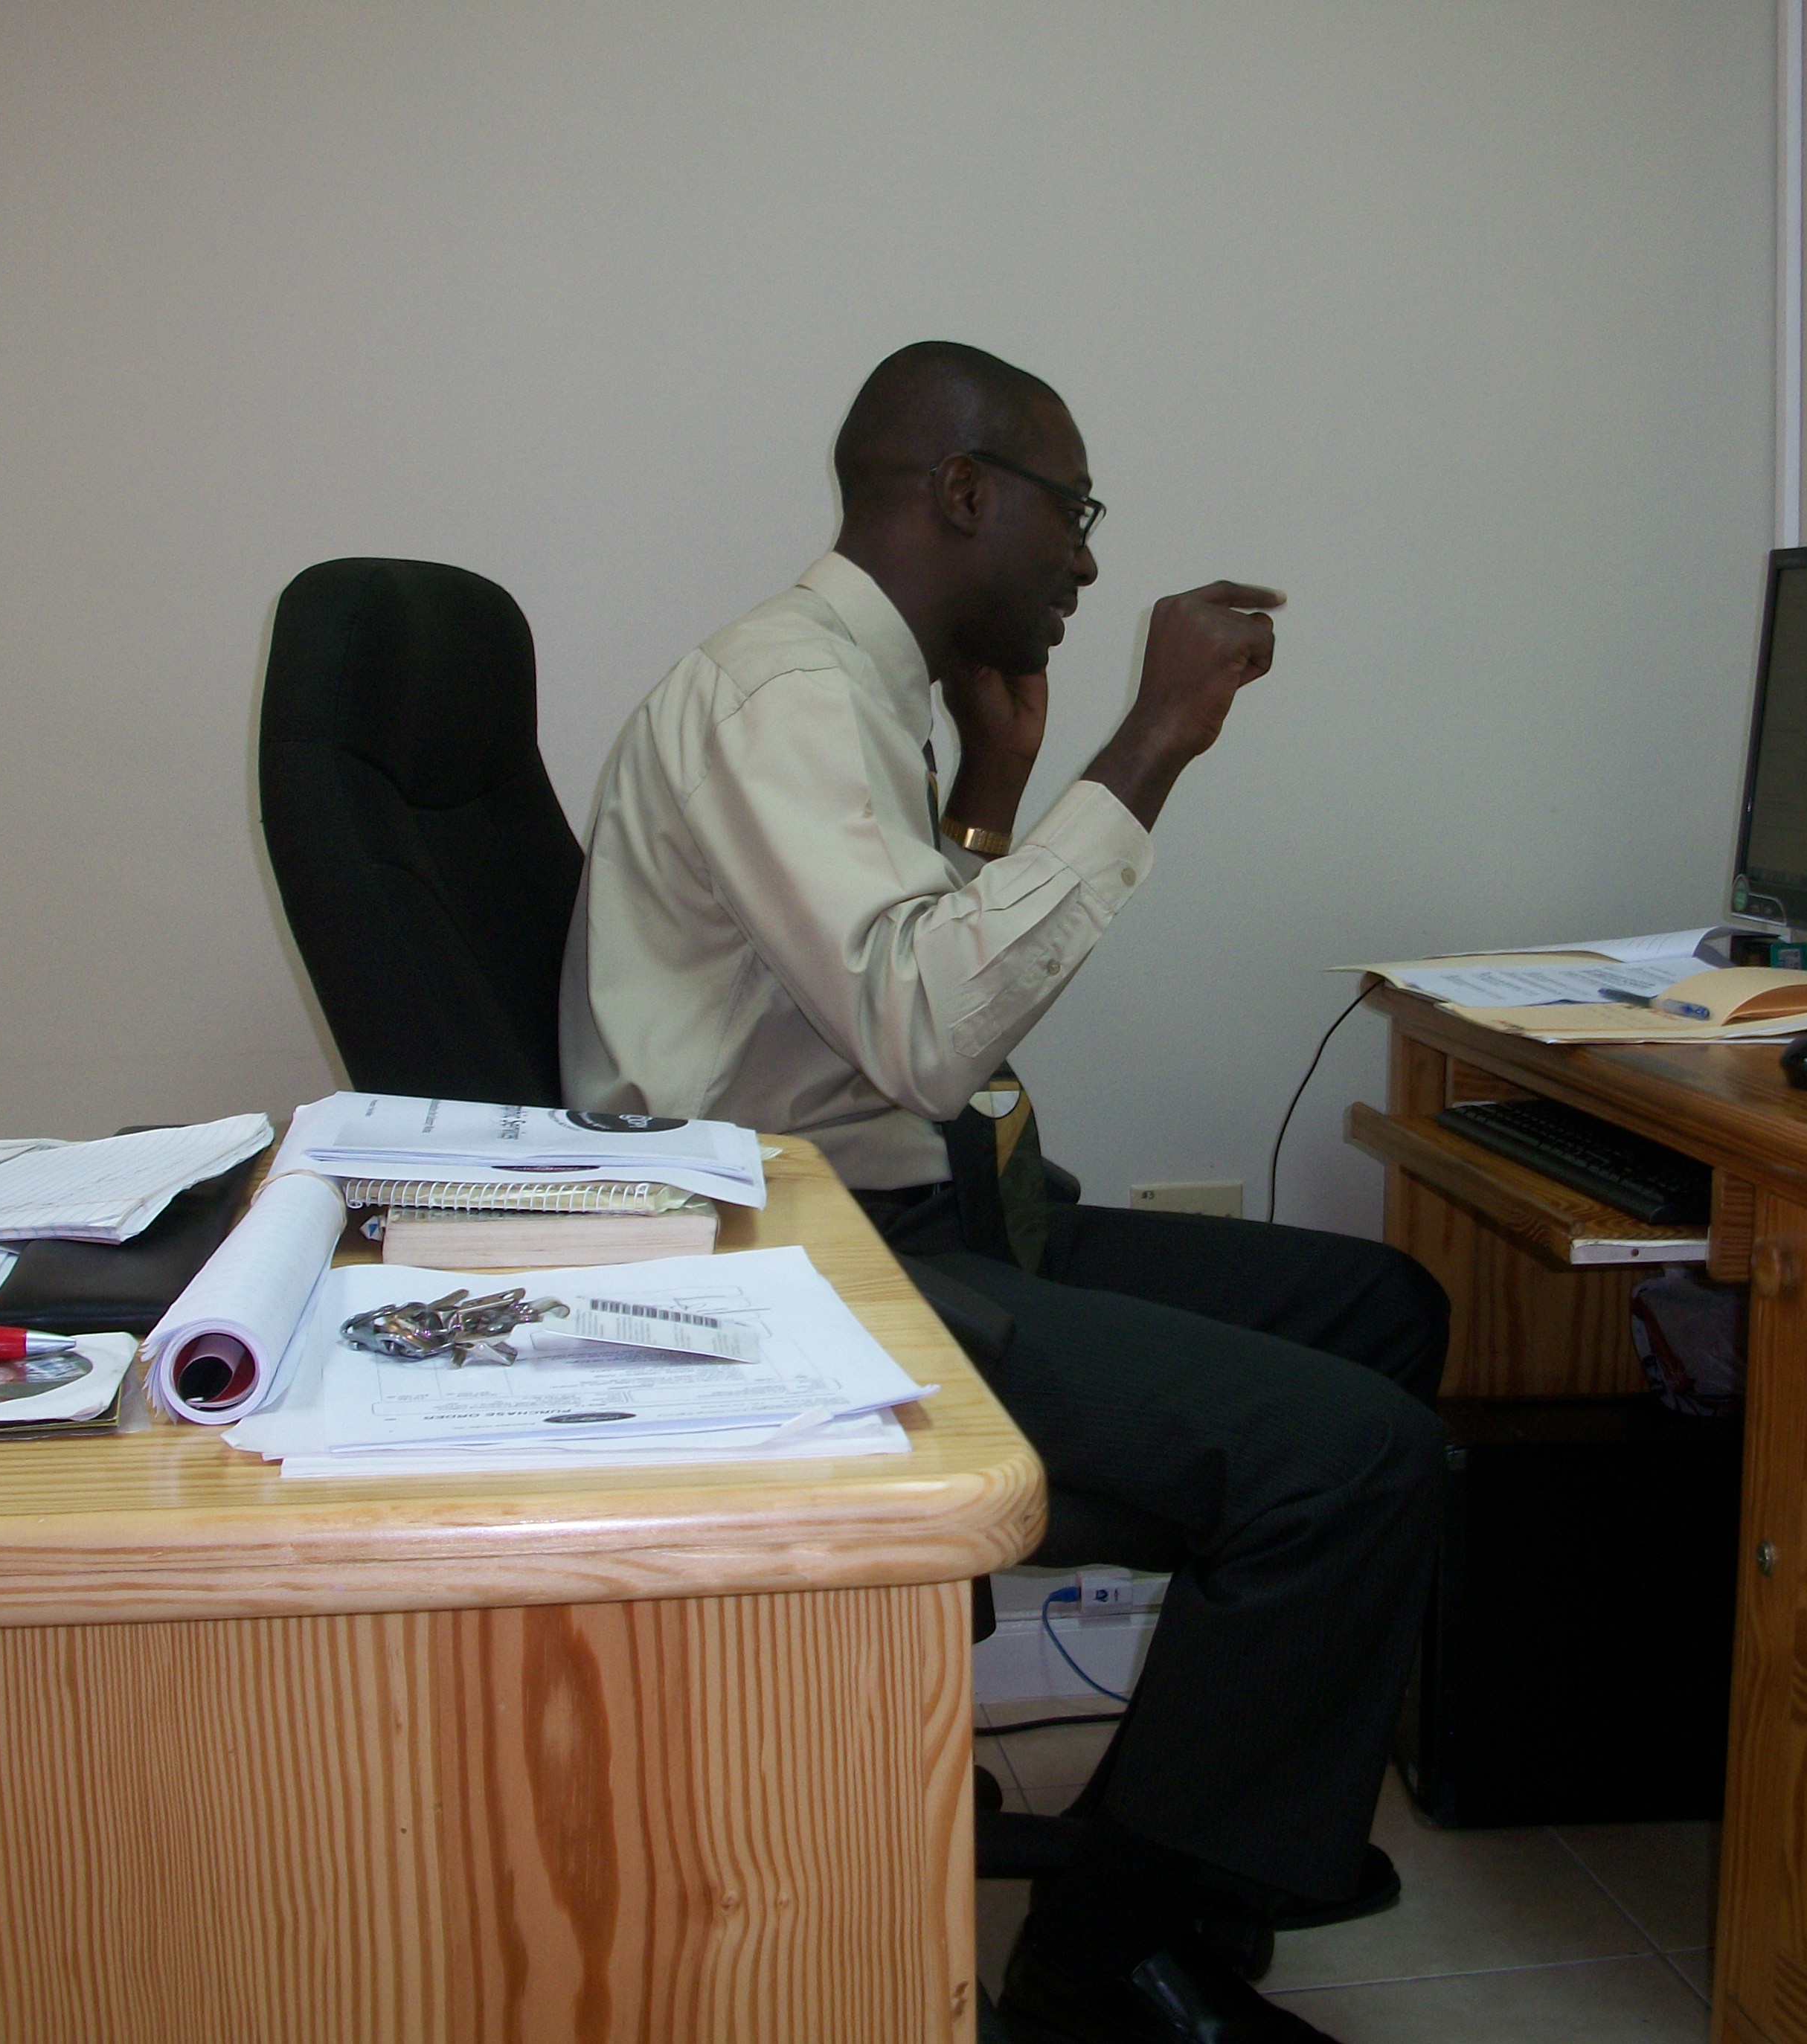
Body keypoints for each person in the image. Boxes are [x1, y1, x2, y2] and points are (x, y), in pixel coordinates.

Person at [562, 341, 1448, 2044]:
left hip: (893, 1206)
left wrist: (989, 788)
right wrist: (1152, 741)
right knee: (1351, 1457)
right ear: (963, 492)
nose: (1089, 566)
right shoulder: (780, 694)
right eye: (1073, 513)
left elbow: (877, 973)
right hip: (801, 1265)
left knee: (1381, 1309)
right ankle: (1102, 1962)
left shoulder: (862, 689)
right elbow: (920, 1031)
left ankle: (1207, 1849)